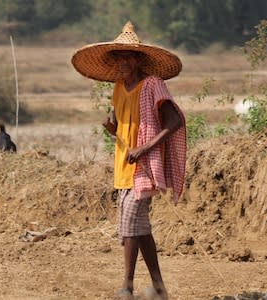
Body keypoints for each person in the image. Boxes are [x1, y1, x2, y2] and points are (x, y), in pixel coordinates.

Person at [71, 21, 186, 300]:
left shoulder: (152, 85)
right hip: (125, 166)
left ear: (139, 59)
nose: (123, 62)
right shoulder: (119, 88)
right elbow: (122, 122)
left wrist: (145, 148)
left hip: (145, 165)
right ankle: (159, 288)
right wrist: (114, 130)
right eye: (119, 57)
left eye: (128, 57)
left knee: (129, 225)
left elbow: (174, 120)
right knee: (139, 228)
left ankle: (127, 286)